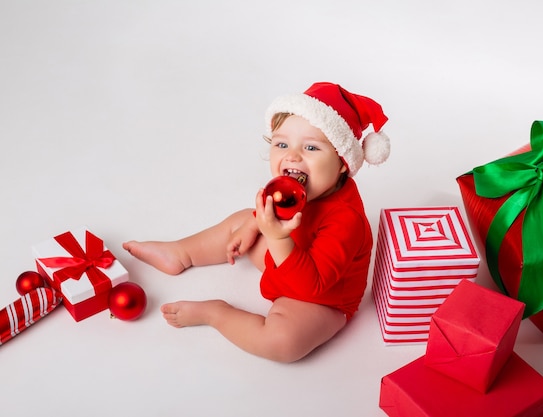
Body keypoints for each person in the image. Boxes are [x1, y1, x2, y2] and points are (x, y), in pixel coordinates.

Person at [123, 82, 391, 363]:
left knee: (283, 343)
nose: (293, 156)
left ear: (342, 164)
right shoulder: (294, 185)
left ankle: (217, 313)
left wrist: (275, 238)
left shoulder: (347, 220)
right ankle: (181, 251)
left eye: (311, 147)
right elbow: (267, 212)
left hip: (319, 297)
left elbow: (312, 286)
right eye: (282, 144)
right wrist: (254, 225)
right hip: (286, 255)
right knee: (242, 220)